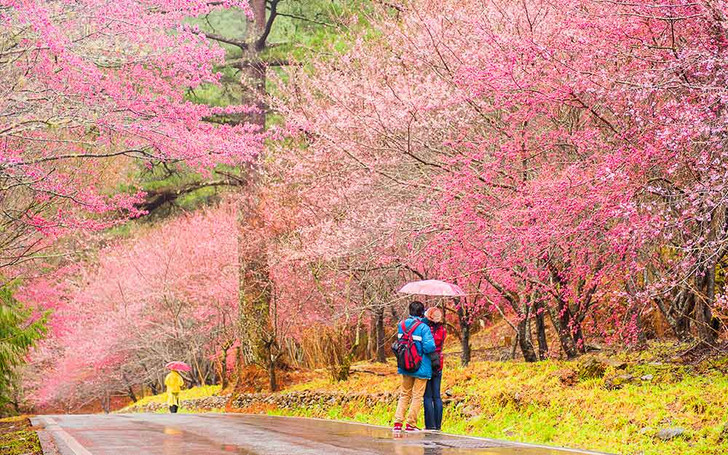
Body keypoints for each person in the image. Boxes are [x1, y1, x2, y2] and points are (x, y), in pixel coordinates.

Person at [392, 301, 436, 432]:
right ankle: (411, 424)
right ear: (422, 312)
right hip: (421, 366)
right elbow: (429, 347)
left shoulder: (402, 325)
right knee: (417, 396)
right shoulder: (424, 328)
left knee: (404, 394)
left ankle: (398, 423)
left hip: (405, 364)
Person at [423, 306, 446, 430]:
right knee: (437, 396)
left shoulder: (427, 329)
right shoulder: (442, 330)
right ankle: (438, 425)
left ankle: (429, 425)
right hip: (438, 363)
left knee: (427, 396)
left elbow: (427, 345)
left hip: (427, 362)